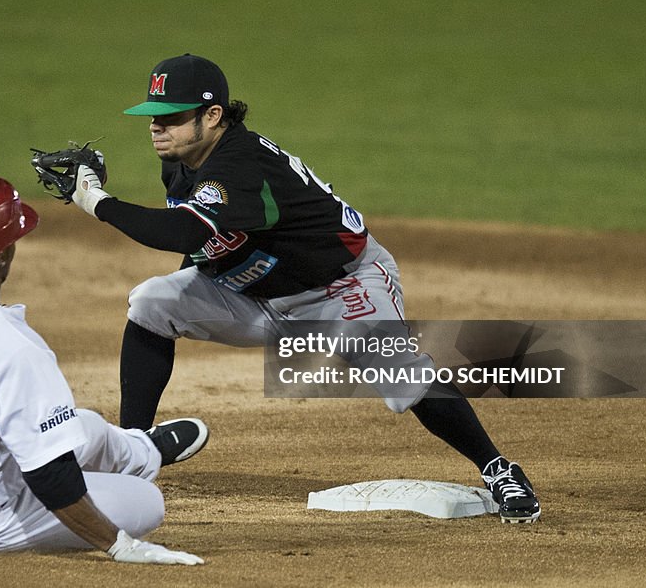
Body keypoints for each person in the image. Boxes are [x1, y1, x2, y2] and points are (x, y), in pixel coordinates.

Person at [65, 54, 541, 523]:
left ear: (212, 116)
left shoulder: (241, 164)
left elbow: (185, 233)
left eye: (171, 117)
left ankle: (499, 470)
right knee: (153, 302)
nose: (156, 128)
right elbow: (205, 244)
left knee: (400, 373)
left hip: (339, 288)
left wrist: (94, 199)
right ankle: (132, 450)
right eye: (152, 117)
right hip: (254, 296)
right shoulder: (183, 158)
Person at [0, 132, 209, 561]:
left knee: (81, 426)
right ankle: (135, 465)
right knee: (144, 502)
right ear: (2, 258)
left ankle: (141, 449)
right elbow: (54, 481)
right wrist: (119, 545)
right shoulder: (10, 347)